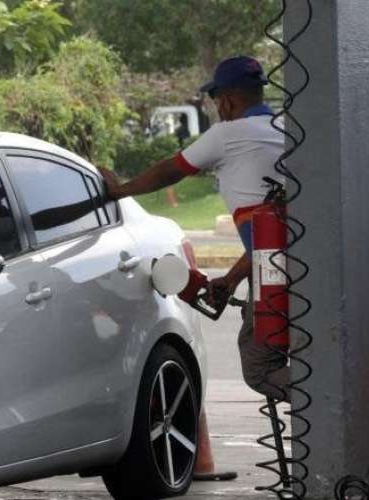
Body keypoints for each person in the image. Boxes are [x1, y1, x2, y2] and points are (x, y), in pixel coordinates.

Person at [99, 55, 289, 402]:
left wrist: (119, 190)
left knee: (261, 366)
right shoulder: (286, 129)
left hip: (275, 274)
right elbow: (276, 234)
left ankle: (329, 401)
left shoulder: (227, 134)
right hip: (280, 262)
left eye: (217, 101)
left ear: (227, 100)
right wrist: (230, 280)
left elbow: (171, 169)